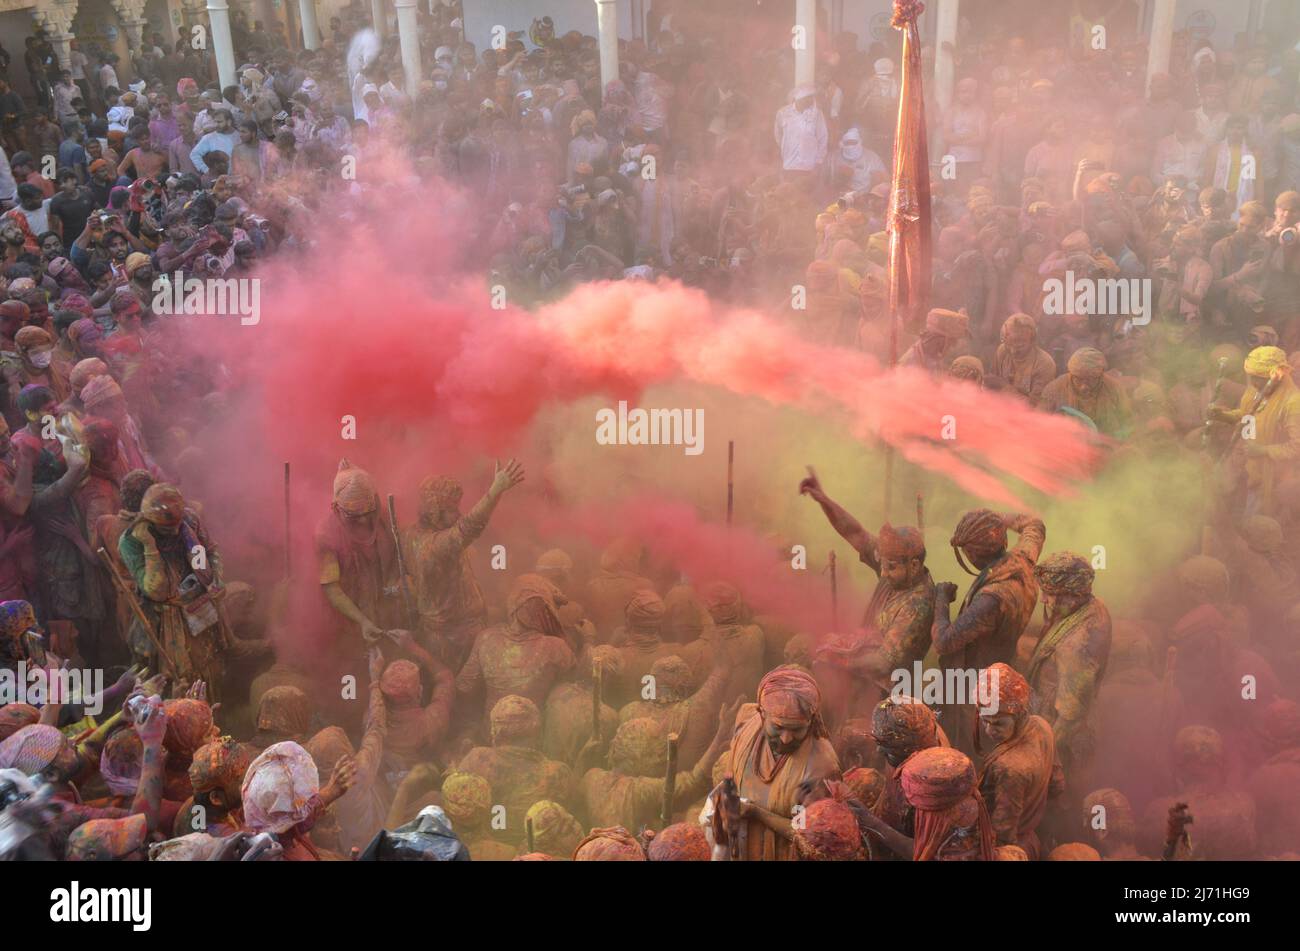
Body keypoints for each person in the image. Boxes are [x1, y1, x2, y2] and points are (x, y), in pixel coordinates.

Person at [799, 469, 934, 726]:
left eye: (891, 567)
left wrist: (836, 659)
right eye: (882, 564)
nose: (882, 572)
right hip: (861, 680)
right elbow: (856, 534)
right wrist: (824, 500)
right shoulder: (893, 563)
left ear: (914, 566)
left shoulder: (918, 605)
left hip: (888, 695)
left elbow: (884, 663)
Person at [933, 508, 1045, 752]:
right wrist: (996, 521)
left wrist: (940, 599)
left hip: (979, 684)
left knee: (975, 744)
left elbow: (943, 641)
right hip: (1004, 665)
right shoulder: (1023, 559)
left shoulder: (991, 599)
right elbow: (1034, 524)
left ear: (972, 554)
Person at [711, 666, 840, 861]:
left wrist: (757, 813)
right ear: (762, 715)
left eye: (797, 729)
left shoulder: (821, 765)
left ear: (811, 722)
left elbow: (817, 838)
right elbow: (730, 777)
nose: (786, 739)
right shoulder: (747, 725)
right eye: (778, 727)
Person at [407, 459, 524, 668]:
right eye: (452, 510)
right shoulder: (430, 546)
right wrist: (495, 491)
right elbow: (467, 528)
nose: (458, 514)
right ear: (435, 511)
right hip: (451, 642)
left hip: (461, 633)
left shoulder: (418, 534)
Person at [1025, 552, 1112, 797]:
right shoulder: (1092, 606)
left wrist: (1043, 759)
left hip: (1065, 744)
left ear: (1073, 595)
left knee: (1062, 801)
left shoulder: (1075, 647)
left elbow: (1071, 716)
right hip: (1062, 725)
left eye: (1050, 594)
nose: (1043, 600)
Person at [976, 663, 1060, 859]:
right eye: (985, 721)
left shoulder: (1009, 768)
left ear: (1020, 714)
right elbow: (1057, 784)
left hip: (1014, 848)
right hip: (1033, 836)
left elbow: (1003, 832)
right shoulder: (1042, 726)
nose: (989, 731)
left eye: (998, 724)